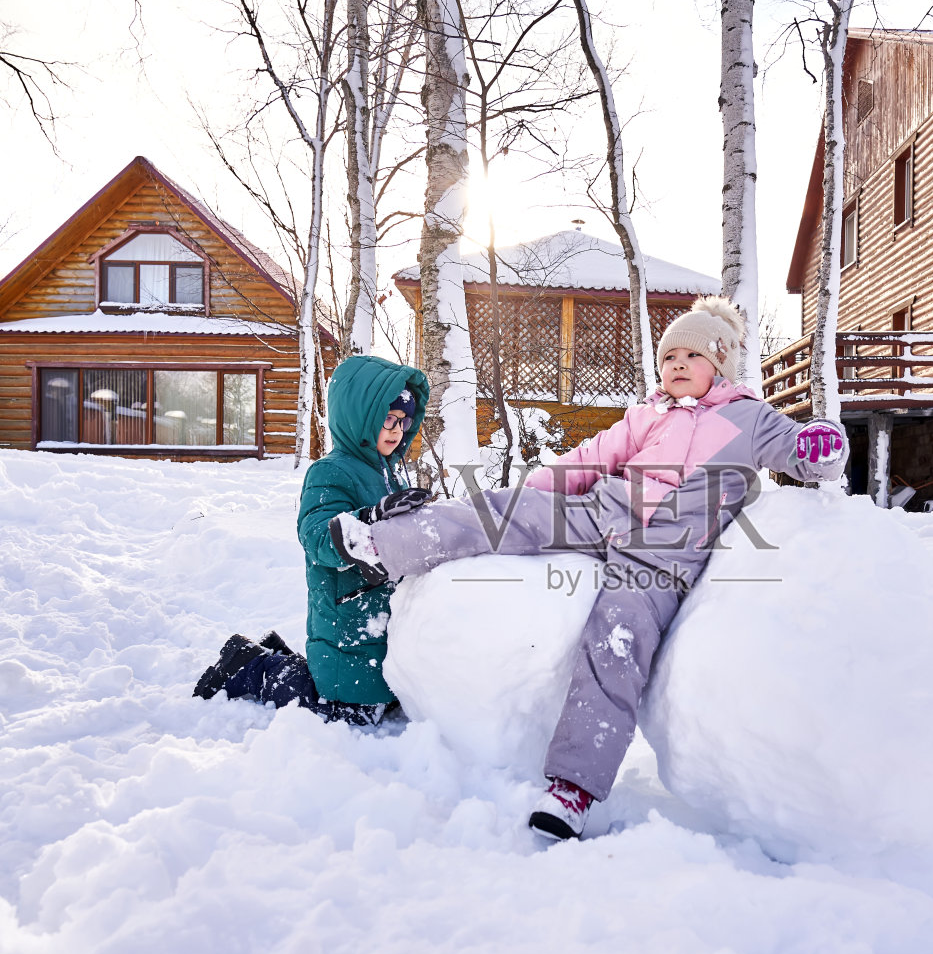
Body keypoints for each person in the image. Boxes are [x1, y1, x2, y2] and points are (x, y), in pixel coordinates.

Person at [329, 297, 848, 839]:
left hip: (665, 554)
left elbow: (802, 452)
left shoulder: (747, 417)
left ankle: (572, 790)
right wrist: (534, 490)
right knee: (509, 513)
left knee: (618, 640)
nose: (675, 365)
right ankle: (384, 545)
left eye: (690, 355)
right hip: (607, 510)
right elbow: (591, 458)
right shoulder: (648, 414)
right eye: (669, 355)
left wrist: (822, 446)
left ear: (719, 364)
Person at [193, 355, 431, 726]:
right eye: (387, 418)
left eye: (404, 420)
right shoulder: (330, 472)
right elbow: (318, 536)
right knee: (352, 713)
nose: (397, 429)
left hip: (378, 618)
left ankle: (279, 659)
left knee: (381, 697)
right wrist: (370, 518)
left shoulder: (390, 474)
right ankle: (254, 666)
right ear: (359, 416)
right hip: (347, 623)